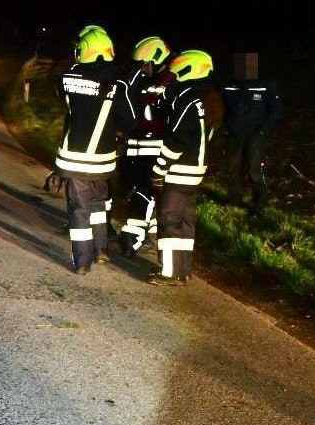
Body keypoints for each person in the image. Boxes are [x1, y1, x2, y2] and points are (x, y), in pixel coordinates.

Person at [54, 24, 133, 273]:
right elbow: (130, 117)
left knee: (79, 209)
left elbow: (63, 101)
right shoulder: (117, 82)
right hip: (103, 158)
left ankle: (82, 261)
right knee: (99, 204)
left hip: (74, 157)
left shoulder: (68, 77)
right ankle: (101, 251)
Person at [148, 49, 214, 286]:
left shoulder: (185, 98)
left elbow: (177, 138)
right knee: (185, 220)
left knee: (168, 218)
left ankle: (170, 273)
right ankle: (182, 268)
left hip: (180, 169)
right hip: (194, 168)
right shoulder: (197, 98)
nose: (172, 77)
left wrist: (159, 169)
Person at [118, 36, 173, 254]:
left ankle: (134, 237)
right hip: (136, 145)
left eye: (145, 64)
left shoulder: (168, 82)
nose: (142, 69)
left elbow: (151, 108)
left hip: (156, 148)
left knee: (145, 190)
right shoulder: (145, 81)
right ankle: (147, 232)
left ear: (156, 61)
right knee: (133, 187)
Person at [221, 53, 282, 215]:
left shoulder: (265, 85)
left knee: (254, 170)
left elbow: (275, 110)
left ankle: (259, 204)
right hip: (234, 133)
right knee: (233, 167)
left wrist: (262, 130)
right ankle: (234, 199)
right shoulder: (229, 85)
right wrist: (226, 127)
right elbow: (224, 107)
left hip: (255, 133)